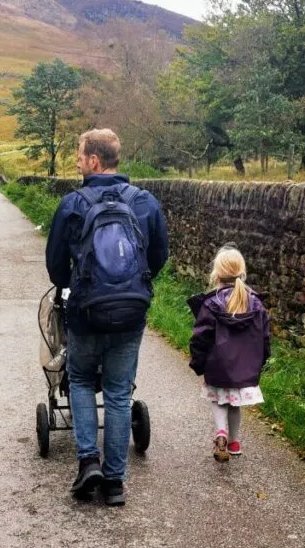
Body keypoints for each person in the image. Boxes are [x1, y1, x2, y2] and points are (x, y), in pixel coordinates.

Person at [45, 128, 168, 506]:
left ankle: (88, 463)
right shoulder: (145, 202)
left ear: (95, 161)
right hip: (131, 313)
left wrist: (73, 289)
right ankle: (114, 483)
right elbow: (158, 256)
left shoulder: (73, 204)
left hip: (85, 313)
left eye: (80, 157)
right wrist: (131, 288)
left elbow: (55, 267)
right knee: (118, 391)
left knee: (80, 380)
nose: (78, 163)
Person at [187, 245, 270, 462]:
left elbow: (200, 337)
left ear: (217, 273)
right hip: (244, 368)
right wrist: (260, 363)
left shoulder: (211, 303)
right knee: (234, 403)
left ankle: (221, 434)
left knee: (218, 400)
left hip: (217, 365)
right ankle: (234, 442)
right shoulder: (256, 303)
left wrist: (198, 362)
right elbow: (264, 339)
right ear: (242, 272)